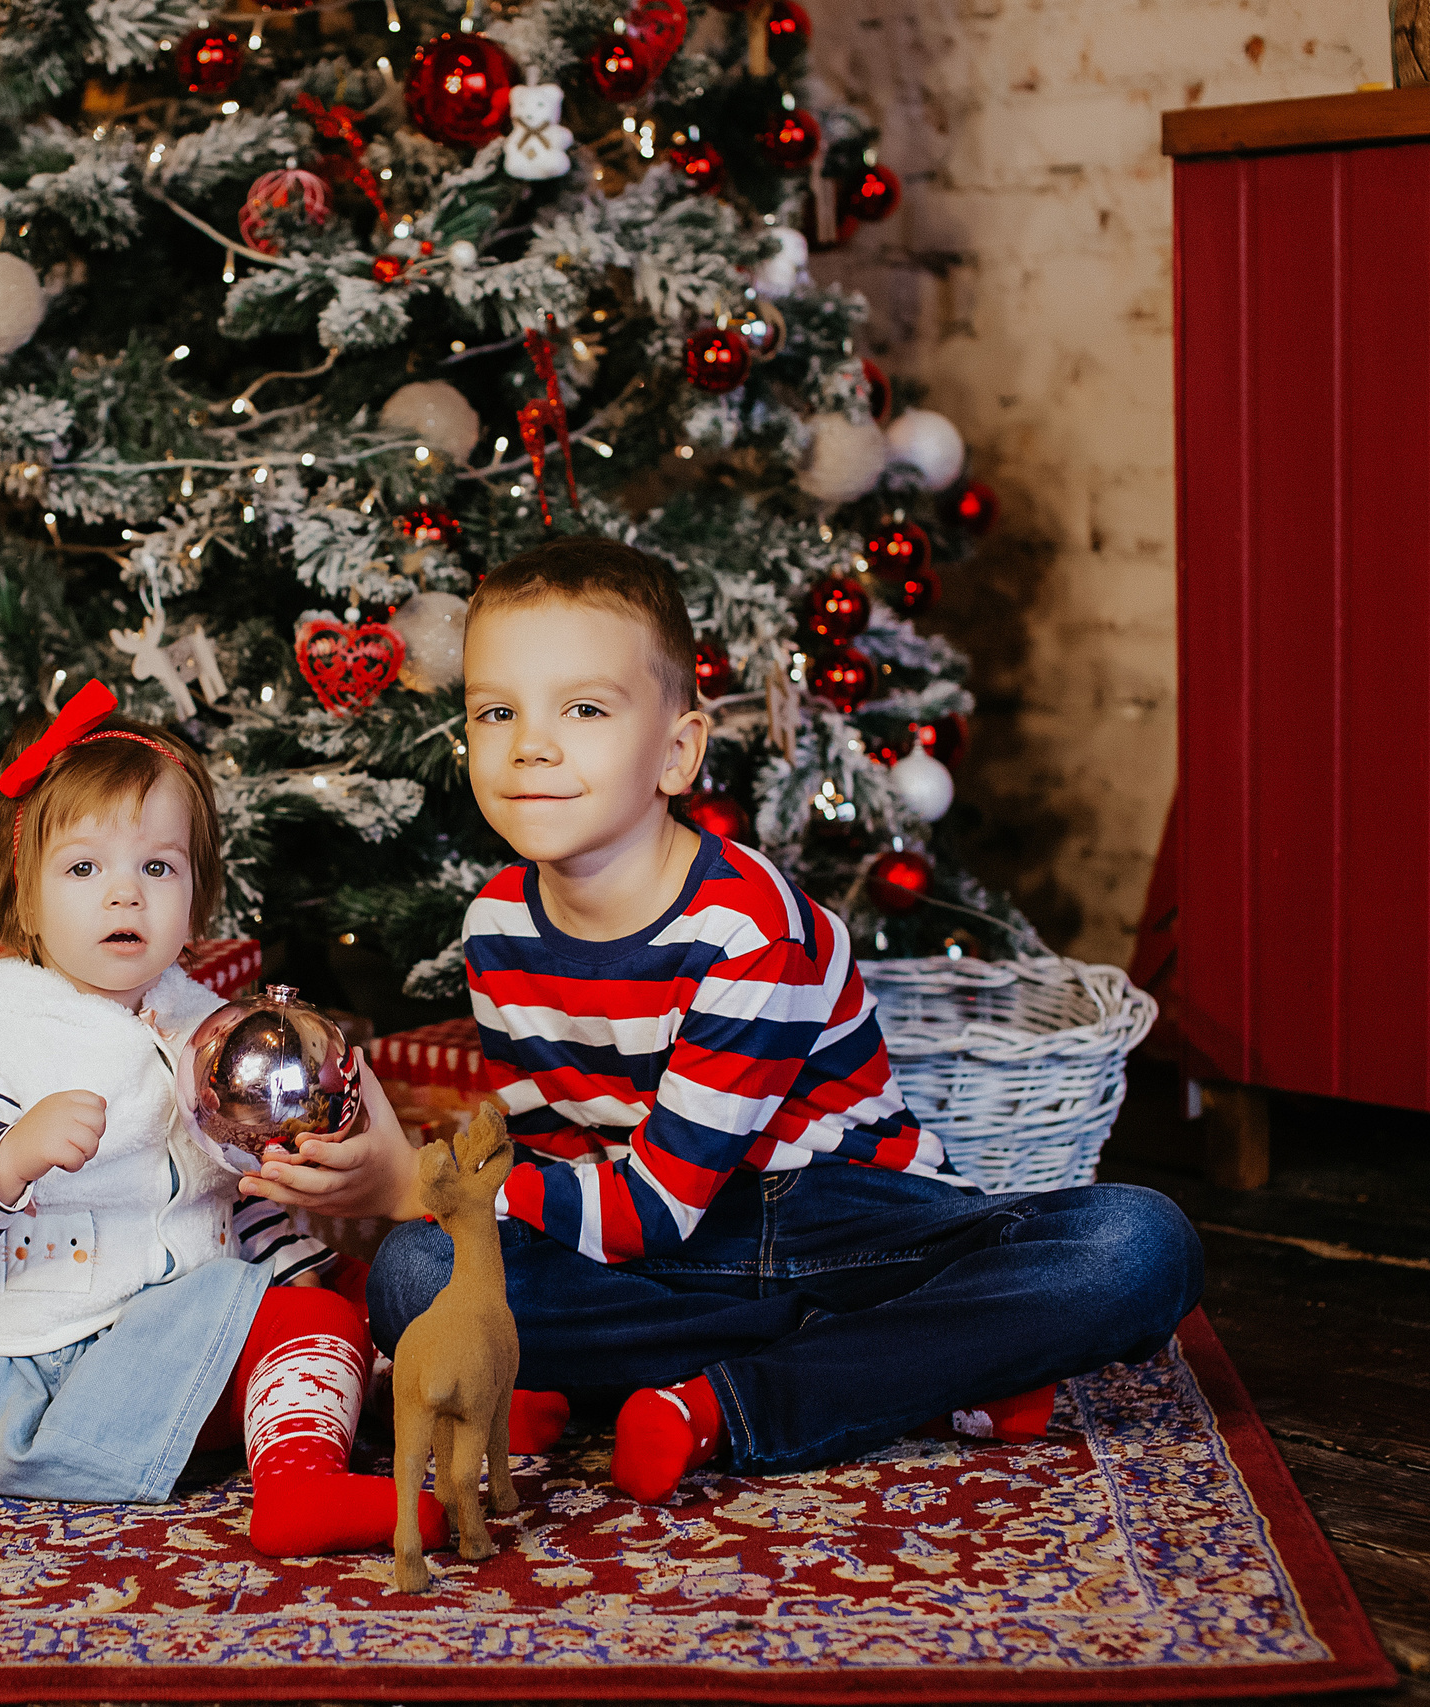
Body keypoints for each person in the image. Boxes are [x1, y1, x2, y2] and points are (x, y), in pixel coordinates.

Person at [238, 537, 1204, 1502]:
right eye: (498, 711)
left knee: (1137, 1243)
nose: (531, 743)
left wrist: (420, 1178)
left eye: (583, 708)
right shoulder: (496, 925)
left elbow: (658, 1206)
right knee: (417, 1280)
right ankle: (906, 1366)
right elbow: (558, 1161)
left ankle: (734, 1402)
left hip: (848, 1222)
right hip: (676, 1255)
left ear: (676, 751)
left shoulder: (746, 927)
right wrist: (445, 1209)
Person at [0, 677, 445, 1556]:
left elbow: (227, 1204)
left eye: (157, 866)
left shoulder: (201, 1034)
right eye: (83, 868)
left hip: (181, 1341)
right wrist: (7, 1157)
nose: (125, 895)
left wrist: (312, 1271)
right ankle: (302, 1490)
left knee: (345, 1286)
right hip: (65, 1374)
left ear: (195, 901)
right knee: (304, 1320)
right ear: (26, 901)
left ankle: (451, 1385)